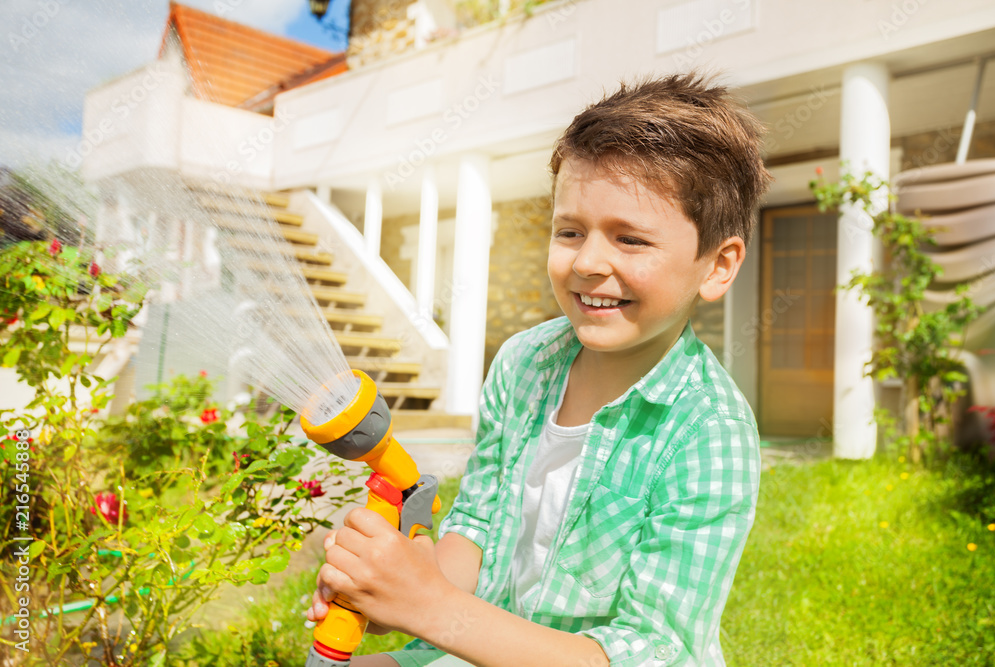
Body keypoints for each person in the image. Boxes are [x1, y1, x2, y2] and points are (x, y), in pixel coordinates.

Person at [306, 73, 772, 666]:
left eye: (630, 240)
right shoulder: (523, 363)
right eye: (570, 231)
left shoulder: (709, 434)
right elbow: (475, 525)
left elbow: (650, 651)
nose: (587, 261)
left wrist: (428, 608)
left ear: (717, 266)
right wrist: (398, 586)